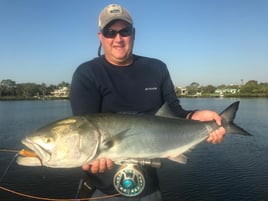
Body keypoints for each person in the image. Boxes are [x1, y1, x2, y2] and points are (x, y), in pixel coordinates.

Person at [70, 4, 226, 201]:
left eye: (124, 31)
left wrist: (196, 117)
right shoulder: (87, 73)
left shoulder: (156, 68)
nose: (118, 39)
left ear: (133, 34)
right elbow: (84, 130)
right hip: (101, 190)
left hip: (148, 188)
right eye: (110, 32)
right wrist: (87, 158)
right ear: (100, 36)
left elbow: (174, 112)